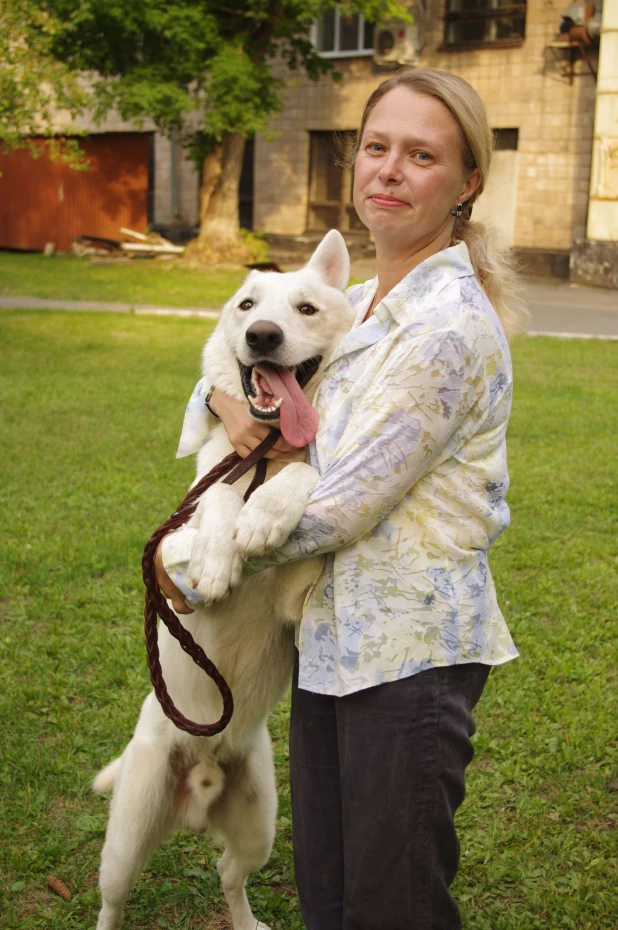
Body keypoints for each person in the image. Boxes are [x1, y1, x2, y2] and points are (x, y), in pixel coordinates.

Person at [157, 68, 529, 930]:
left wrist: (192, 556)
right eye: (377, 147)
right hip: (326, 635)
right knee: (327, 892)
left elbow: (340, 505)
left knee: (389, 901)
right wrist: (224, 406)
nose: (390, 169)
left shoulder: (445, 327)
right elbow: (240, 361)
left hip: (409, 649)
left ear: (468, 181)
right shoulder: (353, 303)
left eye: (422, 154)